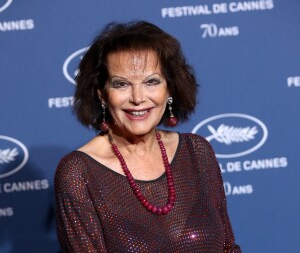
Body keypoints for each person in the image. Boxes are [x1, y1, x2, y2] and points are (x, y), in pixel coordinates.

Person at [54, 21, 241, 252]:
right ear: (102, 95)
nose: (138, 97)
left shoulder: (197, 152)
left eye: (151, 81)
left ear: (169, 89)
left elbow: (227, 247)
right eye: (121, 84)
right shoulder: (78, 172)